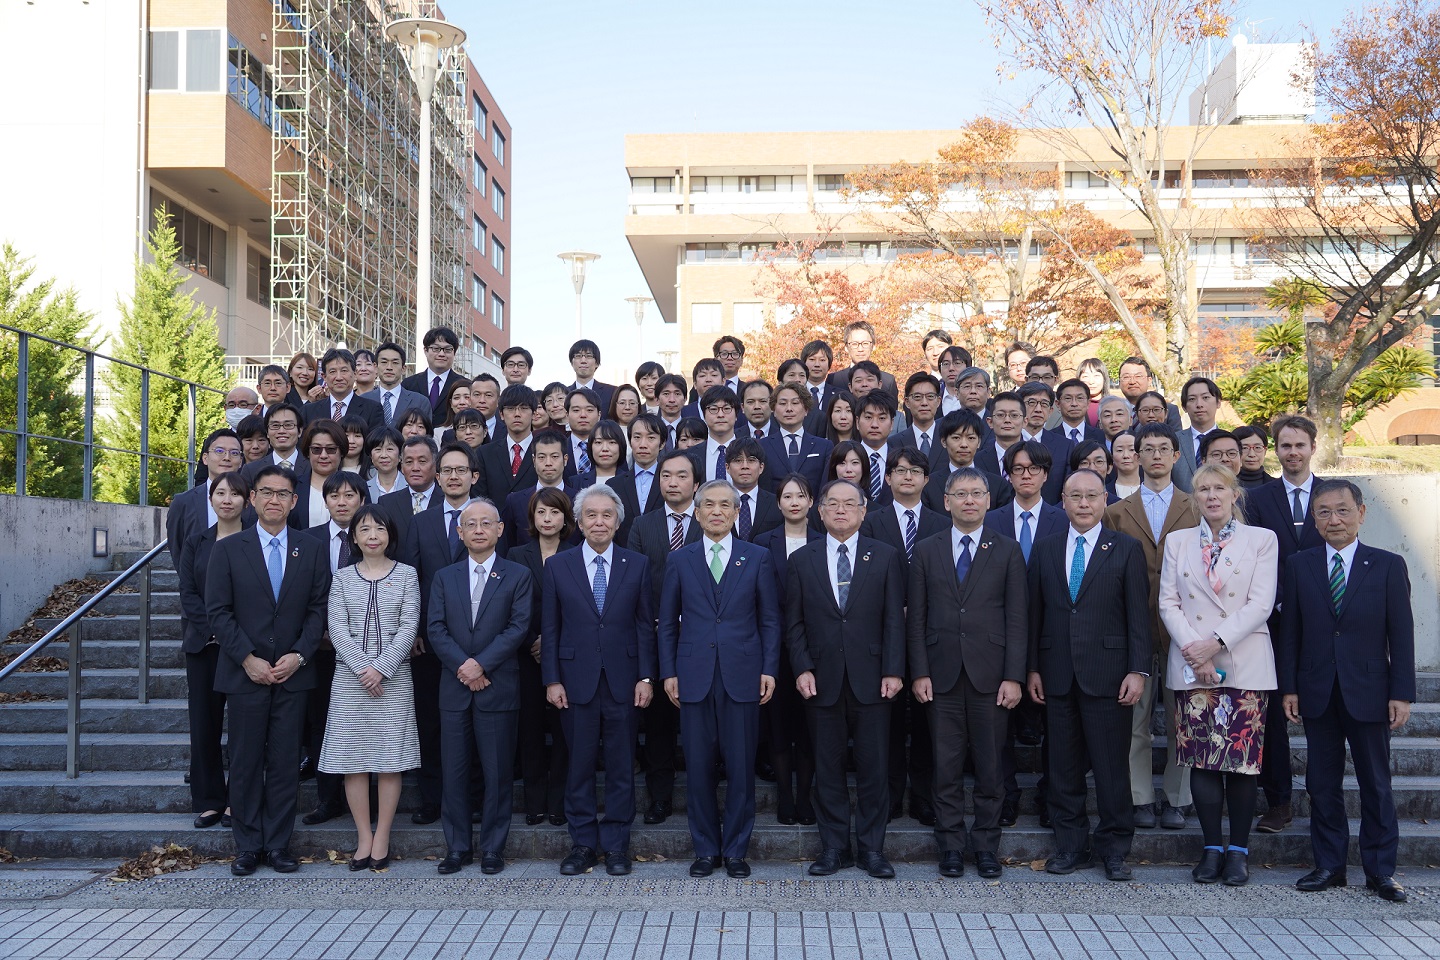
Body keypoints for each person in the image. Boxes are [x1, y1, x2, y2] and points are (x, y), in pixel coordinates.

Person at [1280, 479, 1415, 902]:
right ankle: (1329, 865)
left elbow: (1403, 633)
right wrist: (1290, 688)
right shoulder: (1300, 564)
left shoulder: (1388, 565)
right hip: (1317, 688)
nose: (1333, 519)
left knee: (1377, 783)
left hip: (1372, 690)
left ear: (1361, 513)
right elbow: (1291, 633)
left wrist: (1402, 692)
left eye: (1341, 510)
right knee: (1322, 783)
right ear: (1314, 519)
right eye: (1323, 512)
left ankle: (1380, 871)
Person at [206, 464, 331, 876]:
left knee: (283, 763)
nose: (274, 500)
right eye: (266, 492)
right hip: (245, 673)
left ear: (294, 502)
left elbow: (317, 611)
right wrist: (247, 658)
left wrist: (299, 654)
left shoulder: (311, 549)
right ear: (253, 499)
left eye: (282, 494)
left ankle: (277, 844)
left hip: (293, 674)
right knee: (243, 761)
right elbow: (218, 612)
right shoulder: (227, 549)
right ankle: (246, 845)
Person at [1026, 469, 1150, 881]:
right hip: (1057, 674)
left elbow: (1138, 616)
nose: (1083, 503)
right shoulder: (1044, 549)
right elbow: (1035, 616)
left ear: (1104, 500)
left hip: (1110, 675)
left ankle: (1114, 849)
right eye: (1075, 496)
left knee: (1112, 768)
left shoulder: (1126, 549)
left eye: (1092, 496)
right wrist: (1032, 669)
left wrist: (1138, 669)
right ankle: (1070, 847)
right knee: (1062, 768)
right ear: (1062, 499)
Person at [1159, 464, 1279, 886]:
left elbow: (1260, 604)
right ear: (1195, 498)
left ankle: (1239, 851)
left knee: (1241, 764)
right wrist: (1197, 652)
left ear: (1235, 495)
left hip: (1243, 662)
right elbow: (1168, 603)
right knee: (1203, 762)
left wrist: (1215, 644)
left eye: (1219, 488)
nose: (1212, 496)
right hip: (1194, 667)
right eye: (1203, 489)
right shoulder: (1177, 541)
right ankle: (1211, 848)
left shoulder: (1262, 540)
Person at [658, 480, 781, 879]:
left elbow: (769, 619)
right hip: (693, 676)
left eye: (724, 505)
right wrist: (669, 672)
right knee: (697, 767)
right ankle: (705, 849)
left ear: (736, 513)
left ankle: (736, 850)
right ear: (696, 513)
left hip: (743, 675)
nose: (715, 511)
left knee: (742, 767)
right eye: (707, 505)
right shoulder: (680, 560)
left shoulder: (757, 557)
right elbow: (666, 626)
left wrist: (768, 669)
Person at [910, 467, 1028, 878]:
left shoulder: (1007, 549)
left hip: (991, 677)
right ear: (946, 501)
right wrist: (919, 672)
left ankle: (986, 848)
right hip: (939, 676)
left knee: (990, 768)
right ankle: (951, 847)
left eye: (977, 493)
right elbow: (917, 619)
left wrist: (1014, 676)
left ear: (988, 500)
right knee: (945, 768)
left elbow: (1017, 618)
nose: (969, 501)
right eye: (961, 494)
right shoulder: (926, 550)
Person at [786, 479, 906, 879]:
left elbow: (895, 619)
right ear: (818, 511)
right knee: (828, 766)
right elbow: (795, 623)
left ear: (863, 510)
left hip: (873, 678)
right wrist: (802, 667)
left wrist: (893, 669)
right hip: (820, 679)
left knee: (874, 767)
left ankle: (872, 849)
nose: (840, 510)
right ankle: (834, 846)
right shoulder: (803, 559)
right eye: (832, 504)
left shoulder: (886, 556)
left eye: (849, 504)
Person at [542, 485, 656, 877]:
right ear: (578, 521)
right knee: (580, 764)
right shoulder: (558, 565)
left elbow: (645, 626)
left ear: (618, 521)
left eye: (607, 515)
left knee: (622, 765)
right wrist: (552, 679)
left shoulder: (636, 564)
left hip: (625, 680)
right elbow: (551, 629)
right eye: (591, 515)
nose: (599, 522)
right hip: (574, 682)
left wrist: (646, 676)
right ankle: (583, 844)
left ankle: (617, 845)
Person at [426, 499, 533, 875]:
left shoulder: (518, 575)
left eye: (486, 523)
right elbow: (435, 628)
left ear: (500, 529)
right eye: (470, 524)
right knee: (453, 772)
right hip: (454, 688)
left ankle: (492, 847)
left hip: (497, 686)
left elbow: (518, 628)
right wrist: (464, 666)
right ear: (460, 532)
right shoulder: (444, 576)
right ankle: (457, 847)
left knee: (498, 772)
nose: (478, 530)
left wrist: (480, 664)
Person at [1103, 423, 1197, 831]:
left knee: (1183, 719)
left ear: (1177, 456)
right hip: (1134, 631)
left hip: (1185, 634)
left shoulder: (1196, 508)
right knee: (1135, 720)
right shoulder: (1115, 514)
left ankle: (1178, 798)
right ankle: (1140, 796)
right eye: (1147, 448)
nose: (1156, 455)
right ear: (1135, 456)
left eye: (1164, 449)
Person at [319, 503, 421, 872]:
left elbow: (409, 626)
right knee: (354, 763)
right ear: (355, 537)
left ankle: (383, 836)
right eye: (365, 530)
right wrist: (363, 668)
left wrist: (382, 667)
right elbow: (337, 628)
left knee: (390, 762)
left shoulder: (408, 575)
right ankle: (363, 836)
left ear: (390, 535)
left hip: (394, 679)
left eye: (379, 529)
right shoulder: (343, 577)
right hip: (350, 681)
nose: (373, 536)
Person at [1244, 414, 1325, 834]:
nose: (1292, 453)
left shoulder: (1333, 495)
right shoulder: (1260, 499)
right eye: (1285, 446)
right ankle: (1278, 801)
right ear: (1276, 450)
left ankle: (1324, 800)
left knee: (1324, 712)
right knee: (1273, 713)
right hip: (1273, 623)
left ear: (1313, 447)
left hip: (1324, 624)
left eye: (1300, 445)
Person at [859, 447, 948, 825]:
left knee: (930, 722)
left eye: (915, 471)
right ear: (889, 478)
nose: (907, 477)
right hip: (884, 635)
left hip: (932, 636)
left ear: (927, 479)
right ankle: (892, 795)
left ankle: (925, 796)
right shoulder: (871, 521)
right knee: (889, 721)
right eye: (899, 470)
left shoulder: (942, 523)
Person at [400, 442, 479, 826]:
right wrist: (414, 630)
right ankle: (432, 798)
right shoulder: (422, 522)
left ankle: (474, 799)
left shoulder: (486, 516)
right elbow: (412, 579)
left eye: (460, 470)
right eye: (446, 470)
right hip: (430, 641)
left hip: (479, 640)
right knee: (430, 722)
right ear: (437, 475)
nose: (452, 476)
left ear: (472, 476)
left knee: (477, 722)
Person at [626, 449, 703, 825]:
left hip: (703, 638)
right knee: (657, 723)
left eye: (681, 476)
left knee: (701, 720)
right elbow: (635, 584)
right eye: (666, 476)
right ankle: (659, 798)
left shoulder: (712, 520)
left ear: (696, 483)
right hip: (656, 636)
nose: (673, 482)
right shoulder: (643, 525)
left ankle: (703, 797)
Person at [177, 470, 249, 830]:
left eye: (235, 494)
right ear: (211, 498)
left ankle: (239, 800)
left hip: (242, 647)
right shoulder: (197, 542)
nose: (227, 499)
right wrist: (213, 629)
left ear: (245, 500)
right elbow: (188, 592)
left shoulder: (255, 540)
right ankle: (209, 801)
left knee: (241, 727)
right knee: (204, 724)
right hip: (204, 645)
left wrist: (233, 635)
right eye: (220, 493)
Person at [297, 471, 369, 827]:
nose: (342, 502)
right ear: (325, 501)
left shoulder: (373, 538)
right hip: (318, 648)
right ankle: (328, 799)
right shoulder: (307, 540)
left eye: (349, 495)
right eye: (335, 496)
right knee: (322, 721)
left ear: (362, 500)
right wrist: (319, 633)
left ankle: (365, 798)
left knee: (364, 722)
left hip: (367, 649)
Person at [754, 474, 821, 826]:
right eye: (787, 496)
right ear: (778, 503)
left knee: (808, 729)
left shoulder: (824, 541)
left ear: (811, 502)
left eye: (801, 495)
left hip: (816, 650)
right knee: (778, 727)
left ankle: (806, 797)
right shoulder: (763, 543)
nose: (794, 502)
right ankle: (784, 795)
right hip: (775, 648)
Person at [509, 487, 576, 827]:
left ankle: (560, 802)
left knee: (565, 732)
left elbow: (582, 610)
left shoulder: (577, 554)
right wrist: (534, 642)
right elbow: (509, 608)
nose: (548, 519)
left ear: (566, 518)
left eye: (554, 512)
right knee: (531, 731)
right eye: (541, 513)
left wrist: (553, 644)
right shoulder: (516, 555)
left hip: (567, 656)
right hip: (526, 655)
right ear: (532, 518)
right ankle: (535, 803)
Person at [167, 430, 244, 567]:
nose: (227, 457)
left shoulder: (252, 500)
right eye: (219, 451)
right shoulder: (182, 503)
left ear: (241, 461)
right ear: (205, 458)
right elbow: (177, 550)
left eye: (234, 453)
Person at [923, 410, 1013, 513]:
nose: (964, 444)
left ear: (979, 442)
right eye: (956, 438)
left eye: (971, 438)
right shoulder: (929, 486)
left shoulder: (998, 485)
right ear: (944, 442)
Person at [759, 382, 832, 496]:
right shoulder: (762, 446)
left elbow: (825, 487)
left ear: (806, 410)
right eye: (783, 403)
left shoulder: (824, 446)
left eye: (795, 403)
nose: (789, 409)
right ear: (774, 410)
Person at [501, 430, 569, 551]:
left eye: (554, 457)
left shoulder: (579, 499)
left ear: (565, 459)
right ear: (533, 460)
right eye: (542, 457)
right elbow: (507, 544)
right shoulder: (515, 501)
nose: (548, 463)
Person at [475, 384, 538, 504]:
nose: (517, 414)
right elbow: (480, 498)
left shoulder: (545, 452)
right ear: (501, 414)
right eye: (510, 408)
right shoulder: (485, 453)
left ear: (534, 414)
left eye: (523, 408)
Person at [608, 413, 666, 542]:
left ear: (662, 444)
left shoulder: (670, 482)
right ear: (630, 441)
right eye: (637, 437)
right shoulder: (614, 485)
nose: (643, 444)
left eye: (651, 438)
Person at [377, 435, 441, 549]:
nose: (415, 468)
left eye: (422, 461)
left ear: (435, 464)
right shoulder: (386, 503)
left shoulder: (448, 500)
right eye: (409, 461)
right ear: (402, 467)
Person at [301, 348, 383, 432]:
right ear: (324, 377)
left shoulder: (373, 409)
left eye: (344, 371)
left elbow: (375, 443)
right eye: (333, 372)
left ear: (355, 374)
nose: (339, 378)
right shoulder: (308, 411)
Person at [287, 420, 345, 530]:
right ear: (308, 452)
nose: (323, 455)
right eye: (316, 449)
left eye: (331, 449)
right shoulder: (293, 487)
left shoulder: (355, 486)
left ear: (341, 451)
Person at [363, 342, 431, 428]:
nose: (389, 367)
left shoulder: (420, 402)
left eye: (395, 363)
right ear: (375, 367)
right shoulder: (363, 400)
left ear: (403, 369)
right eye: (384, 362)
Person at [1175, 377, 1225, 492]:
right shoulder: (1173, 442)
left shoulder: (1231, 442)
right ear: (1184, 407)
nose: (1199, 404)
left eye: (1206, 397)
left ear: (1218, 402)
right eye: (1192, 399)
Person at [725, 439, 780, 542]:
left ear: (761, 467)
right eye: (738, 461)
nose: (745, 466)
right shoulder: (718, 504)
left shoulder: (776, 504)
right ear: (727, 467)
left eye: (751, 460)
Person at [828, 321, 898, 398]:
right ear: (846, 347)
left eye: (865, 343)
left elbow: (892, 409)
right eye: (854, 344)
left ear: (873, 346)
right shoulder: (834, 379)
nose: (860, 349)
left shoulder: (888, 381)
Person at [241, 404, 308, 483]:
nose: (281, 431)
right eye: (275, 425)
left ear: (299, 431)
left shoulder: (312, 466)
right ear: (267, 432)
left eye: (288, 425)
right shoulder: (251, 470)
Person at [401, 327, 462, 414]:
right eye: (436, 349)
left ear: (454, 353)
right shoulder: (408, 385)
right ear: (426, 351)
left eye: (448, 350)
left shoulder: (463, 385)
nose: (441, 354)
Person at [854, 392, 898, 508]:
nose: (874, 425)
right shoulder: (844, 459)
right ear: (857, 422)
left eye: (882, 418)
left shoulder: (900, 461)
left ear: (892, 423)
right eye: (868, 417)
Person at [564, 419, 629, 496]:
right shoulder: (575, 482)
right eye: (598, 442)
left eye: (612, 442)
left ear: (621, 446)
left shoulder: (630, 481)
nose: (605, 448)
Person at [896, 373, 945, 471]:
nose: (924, 403)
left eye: (930, 396)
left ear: (939, 401)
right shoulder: (894, 443)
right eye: (917, 397)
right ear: (907, 402)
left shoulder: (950, 440)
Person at [1117, 357, 1182, 429]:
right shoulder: (1111, 412)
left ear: (1149, 380)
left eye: (1138, 376)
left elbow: (1177, 439)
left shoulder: (1169, 410)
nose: (1132, 382)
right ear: (1119, 381)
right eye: (1126, 377)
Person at [564, 387, 603, 480]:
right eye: (576, 410)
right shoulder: (558, 448)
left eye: (589, 410)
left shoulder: (610, 449)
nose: (583, 415)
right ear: (567, 415)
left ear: (599, 415)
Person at [567, 339, 616, 413]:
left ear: (597, 363)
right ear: (572, 362)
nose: (583, 361)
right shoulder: (564, 394)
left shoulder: (612, 392)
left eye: (589, 356)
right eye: (578, 356)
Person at [1054, 379, 1102, 446]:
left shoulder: (1101, 436)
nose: (1074, 404)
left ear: (1088, 403)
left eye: (1080, 398)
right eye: (1068, 398)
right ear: (1058, 404)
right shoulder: (1047, 438)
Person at [364, 426, 406, 502]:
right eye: (378, 449)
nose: (384, 455)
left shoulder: (411, 486)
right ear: (371, 456)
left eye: (389, 449)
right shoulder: (364, 488)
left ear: (400, 455)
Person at [800, 339, 836, 423]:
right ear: (803, 363)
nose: (817, 365)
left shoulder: (838, 395)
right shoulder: (795, 393)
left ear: (829, 364)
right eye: (812, 359)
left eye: (822, 360)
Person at [1076, 358, 1110, 427]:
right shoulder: (1073, 405)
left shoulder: (1114, 404)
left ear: (1104, 379)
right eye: (1085, 376)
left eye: (1096, 376)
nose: (1091, 382)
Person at [654, 373, 687, 442]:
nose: (672, 400)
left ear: (685, 399)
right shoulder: (651, 429)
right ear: (656, 399)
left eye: (677, 394)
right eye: (666, 394)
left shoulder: (692, 430)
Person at [1111, 433, 1142, 499]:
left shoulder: (1153, 489)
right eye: (1120, 450)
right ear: (1112, 457)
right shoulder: (1105, 491)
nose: (1126, 456)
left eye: (1132, 449)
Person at [470, 374, 501, 442]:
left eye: (488, 395)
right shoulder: (453, 434)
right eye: (477, 395)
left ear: (498, 400)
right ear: (469, 398)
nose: (482, 400)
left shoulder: (509, 433)